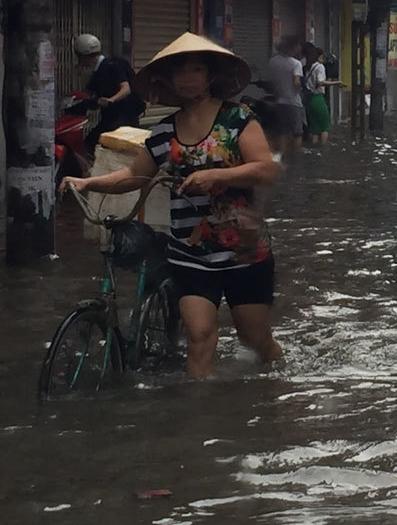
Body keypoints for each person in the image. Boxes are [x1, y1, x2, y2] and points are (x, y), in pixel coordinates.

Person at [60, 33, 282, 379]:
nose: (187, 78)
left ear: (210, 77)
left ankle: (275, 385)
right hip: (189, 254)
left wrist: (217, 177)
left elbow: (266, 169)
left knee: (256, 340)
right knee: (199, 335)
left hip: (243, 253)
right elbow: (135, 176)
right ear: (169, 81)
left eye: (196, 69)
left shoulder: (238, 119)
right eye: (180, 71)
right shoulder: (163, 132)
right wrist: (87, 182)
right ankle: (198, 420)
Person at [73, 34, 145, 154]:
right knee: (91, 143)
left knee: (91, 144)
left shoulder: (113, 65)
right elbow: (89, 94)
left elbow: (126, 89)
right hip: (111, 118)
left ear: (84, 57)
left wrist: (111, 100)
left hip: (124, 117)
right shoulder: (97, 72)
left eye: (80, 57)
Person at [263, 35, 305, 157]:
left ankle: (282, 157)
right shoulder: (296, 64)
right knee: (297, 134)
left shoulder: (273, 61)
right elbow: (296, 82)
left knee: (282, 132)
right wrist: (299, 89)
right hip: (294, 103)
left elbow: (270, 82)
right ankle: (295, 158)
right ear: (292, 47)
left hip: (278, 103)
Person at [302, 43, 331, 145]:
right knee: (324, 127)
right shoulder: (320, 67)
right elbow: (320, 82)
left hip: (308, 100)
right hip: (318, 98)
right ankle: (323, 151)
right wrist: (336, 83)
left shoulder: (307, 67)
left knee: (314, 129)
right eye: (323, 56)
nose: (324, 59)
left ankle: (313, 148)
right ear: (318, 56)